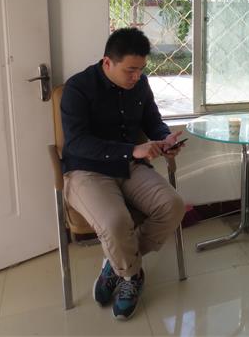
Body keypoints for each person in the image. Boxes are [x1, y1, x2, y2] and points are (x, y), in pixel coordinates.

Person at [60, 27, 186, 320]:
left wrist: (164, 139)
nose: (137, 77)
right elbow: (77, 142)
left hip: (129, 166)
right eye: (130, 70)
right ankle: (131, 275)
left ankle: (116, 262)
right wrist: (132, 150)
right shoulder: (77, 88)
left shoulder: (140, 85)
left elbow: (153, 121)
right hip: (86, 171)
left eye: (141, 70)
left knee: (173, 205)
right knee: (116, 222)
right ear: (108, 62)